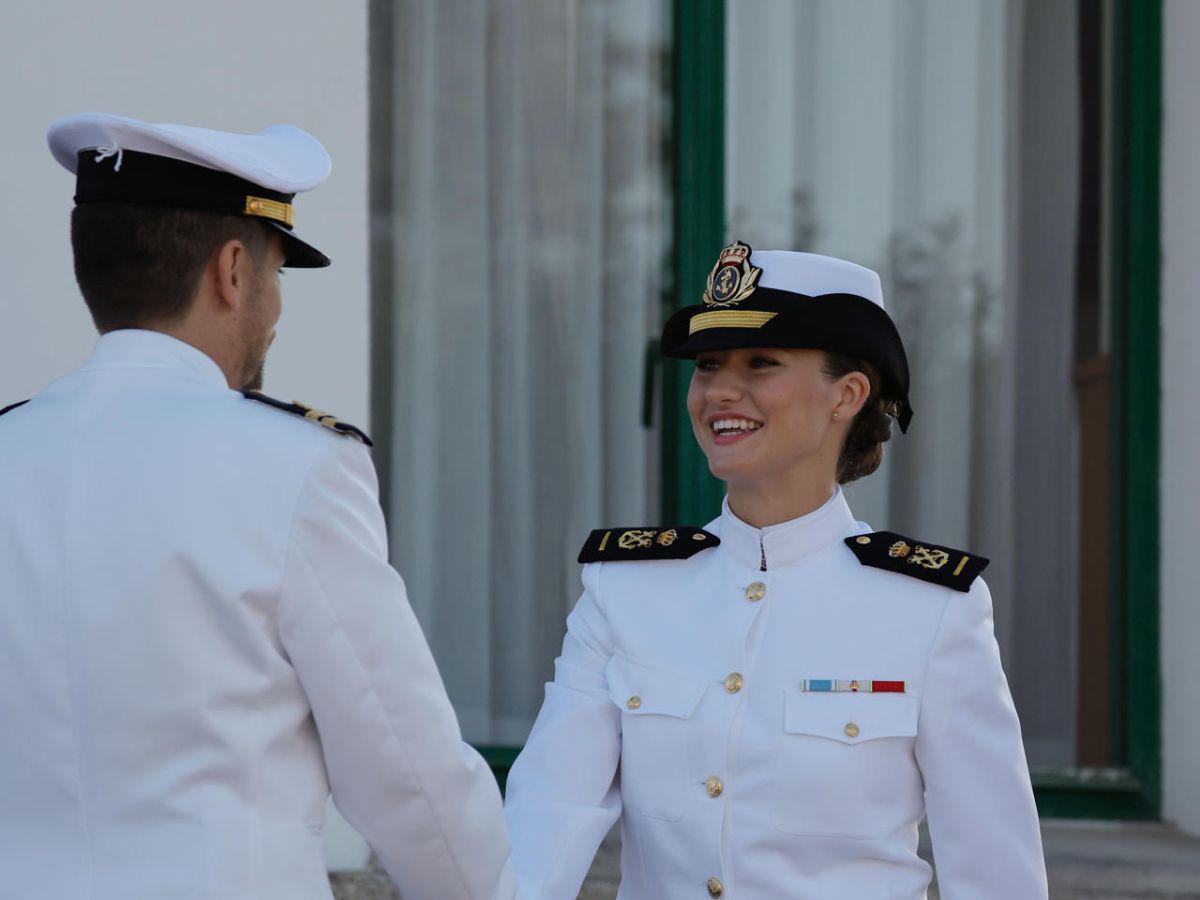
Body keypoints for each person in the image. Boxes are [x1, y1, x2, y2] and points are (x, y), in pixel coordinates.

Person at [0, 113, 516, 900]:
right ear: (232, 271)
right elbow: (408, 777)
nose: (274, 306)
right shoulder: (299, 465)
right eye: (276, 273)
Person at [503, 242, 1048, 899]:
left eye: (762, 363)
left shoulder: (932, 606)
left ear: (848, 394)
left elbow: (993, 865)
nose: (719, 391)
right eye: (708, 366)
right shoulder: (625, 587)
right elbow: (548, 810)